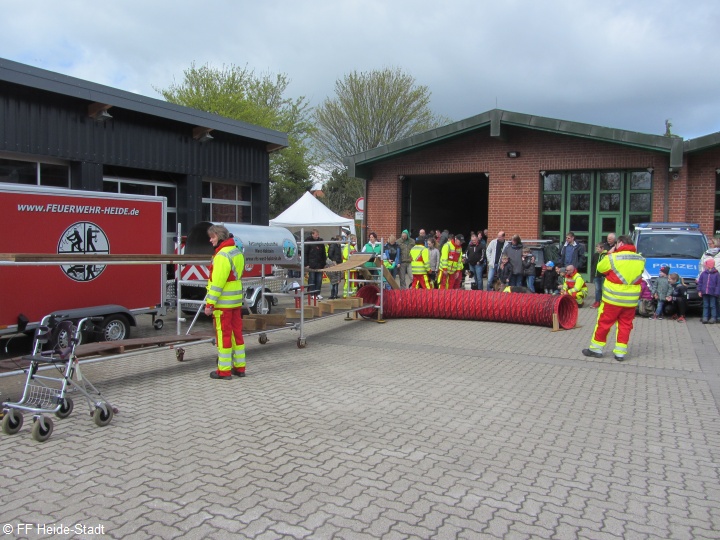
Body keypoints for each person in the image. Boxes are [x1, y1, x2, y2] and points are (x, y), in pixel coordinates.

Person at [582, 235, 645, 362]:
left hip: (613, 299)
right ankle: (620, 353)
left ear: (620, 243)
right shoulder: (640, 259)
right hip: (630, 301)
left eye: (616, 245)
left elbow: (600, 268)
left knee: (604, 323)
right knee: (625, 325)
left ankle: (596, 349)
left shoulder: (612, 257)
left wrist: (610, 253)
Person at [204, 225, 246, 380]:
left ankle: (224, 371)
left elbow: (217, 283)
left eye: (212, 237)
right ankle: (240, 367)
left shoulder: (222, 255)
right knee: (237, 335)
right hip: (235, 302)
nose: (210, 240)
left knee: (223, 336)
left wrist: (209, 304)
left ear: (219, 236)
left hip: (223, 305)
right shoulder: (237, 252)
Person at [304, 228, 326, 300]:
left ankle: (318, 293)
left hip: (320, 264)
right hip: (311, 264)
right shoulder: (308, 242)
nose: (317, 236)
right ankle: (312, 293)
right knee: (312, 279)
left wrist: (324, 263)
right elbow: (305, 253)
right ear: (312, 234)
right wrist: (306, 264)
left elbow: (324, 253)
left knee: (319, 280)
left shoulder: (320, 242)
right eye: (316, 235)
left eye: (318, 235)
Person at [697, 258, 720, 324]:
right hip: (705, 292)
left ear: (709, 265)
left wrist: (717, 292)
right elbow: (700, 282)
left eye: (706, 265)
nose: (705, 266)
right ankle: (705, 317)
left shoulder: (716, 274)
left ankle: (713, 317)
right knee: (705, 305)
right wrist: (699, 290)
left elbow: (718, 284)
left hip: (713, 293)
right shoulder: (703, 273)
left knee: (713, 305)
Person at [590, 242, 608, 308]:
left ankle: (604, 302)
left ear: (602, 248)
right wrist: (592, 273)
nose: (597, 250)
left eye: (598, 248)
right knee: (597, 289)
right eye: (596, 248)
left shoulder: (606, 255)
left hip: (603, 276)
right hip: (596, 275)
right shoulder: (595, 255)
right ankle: (597, 301)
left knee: (604, 289)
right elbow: (592, 264)